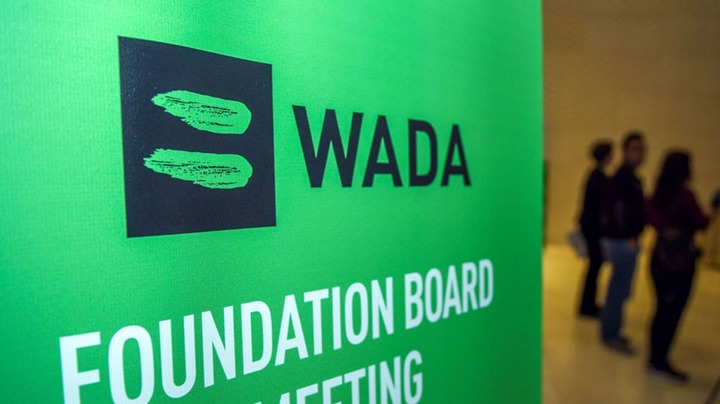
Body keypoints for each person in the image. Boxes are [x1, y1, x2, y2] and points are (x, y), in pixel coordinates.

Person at [646, 151, 719, 381]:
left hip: (659, 257)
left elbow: (652, 218)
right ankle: (660, 360)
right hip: (679, 263)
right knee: (672, 312)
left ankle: (655, 356)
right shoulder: (684, 195)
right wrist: (713, 210)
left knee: (661, 309)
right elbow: (700, 223)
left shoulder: (658, 193)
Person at [600, 131, 646, 353]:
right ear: (625, 151)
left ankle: (613, 330)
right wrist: (627, 235)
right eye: (635, 149)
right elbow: (616, 209)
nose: (640, 154)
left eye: (642, 149)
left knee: (620, 289)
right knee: (617, 290)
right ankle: (610, 332)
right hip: (622, 241)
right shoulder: (622, 178)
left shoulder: (633, 178)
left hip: (625, 239)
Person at [577, 141, 613, 317]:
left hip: (591, 227)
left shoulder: (594, 175)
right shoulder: (599, 178)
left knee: (594, 267)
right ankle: (587, 305)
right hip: (594, 229)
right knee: (594, 267)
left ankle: (588, 304)